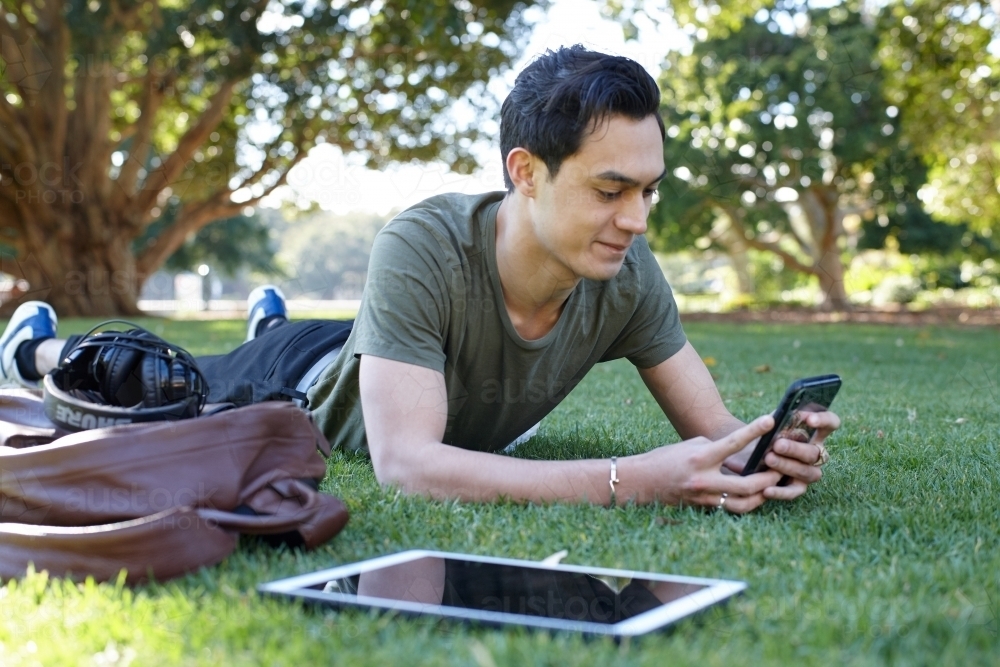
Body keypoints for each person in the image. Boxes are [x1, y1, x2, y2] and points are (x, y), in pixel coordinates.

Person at [0, 46, 839, 513]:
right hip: (299, 385)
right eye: (611, 190)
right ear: (527, 172)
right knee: (160, 376)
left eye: (649, 189)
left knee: (346, 350)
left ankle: (270, 323)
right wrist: (630, 479)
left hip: (395, 361)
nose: (638, 218)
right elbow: (407, 464)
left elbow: (714, 426)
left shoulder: (627, 271)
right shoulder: (422, 244)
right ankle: (35, 351)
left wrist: (763, 450)